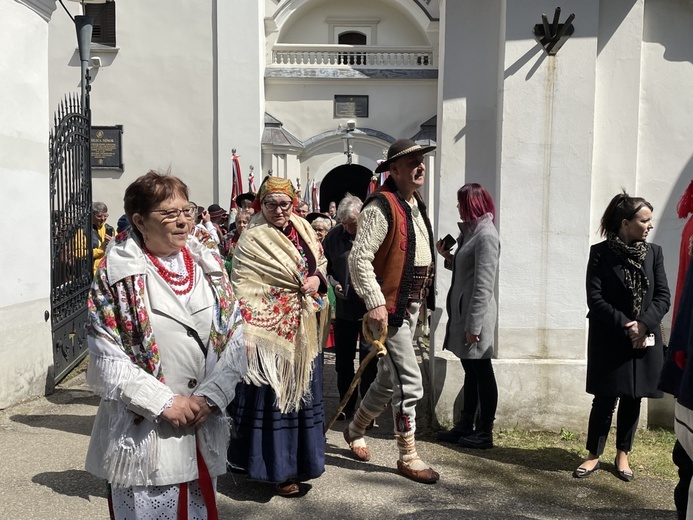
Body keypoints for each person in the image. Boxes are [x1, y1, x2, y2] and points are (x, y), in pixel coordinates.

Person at [84, 170, 247, 519]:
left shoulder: (210, 264)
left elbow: (233, 335)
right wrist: (163, 402)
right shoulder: (117, 275)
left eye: (186, 211)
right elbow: (104, 353)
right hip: (146, 429)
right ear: (140, 220)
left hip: (202, 421)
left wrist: (211, 397)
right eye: (169, 213)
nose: (182, 221)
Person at [227, 176, 329, 497]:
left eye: (284, 204)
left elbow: (320, 263)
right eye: (270, 204)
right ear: (261, 205)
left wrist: (316, 280)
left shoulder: (304, 228)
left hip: (303, 327)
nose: (278, 210)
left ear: (294, 204)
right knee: (274, 401)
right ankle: (276, 470)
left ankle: (301, 464)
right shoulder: (252, 238)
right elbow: (242, 285)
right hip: (268, 333)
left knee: (301, 399)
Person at [345, 138, 438, 484]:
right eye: (412, 161)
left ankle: (355, 429)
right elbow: (358, 259)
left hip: (411, 308)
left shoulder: (415, 204)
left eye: (422, 161)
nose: (420, 166)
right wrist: (375, 302)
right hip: (391, 312)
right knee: (410, 384)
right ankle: (408, 455)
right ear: (394, 170)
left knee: (387, 380)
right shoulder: (380, 207)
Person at [573, 191, 670, 481]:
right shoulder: (600, 252)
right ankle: (593, 455)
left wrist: (643, 324)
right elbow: (595, 298)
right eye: (645, 220)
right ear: (626, 223)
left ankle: (623, 455)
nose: (650, 225)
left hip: (643, 337)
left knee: (633, 397)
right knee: (604, 399)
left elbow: (663, 296)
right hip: (611, 335)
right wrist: (628, 325)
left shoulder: (654, 253)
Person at [435, 183, 499, 449]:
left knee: (482, 371)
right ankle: (465, 425)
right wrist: (447, 257)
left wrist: (474, 325)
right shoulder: (470, 233)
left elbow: (484, 284)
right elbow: (467, 271)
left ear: (471, 204)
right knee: (470, 371)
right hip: (465, 313)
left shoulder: (486, 236)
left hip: (476, 316)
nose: (458, 207)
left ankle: (484, 431)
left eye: (461, 202)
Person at [323, 193, 377, 420]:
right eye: (343, 223)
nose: (347, 227)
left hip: (368, 310)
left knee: (369, 361)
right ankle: (346, 405)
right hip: (344, 310)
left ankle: (367, 410)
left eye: (351, 223)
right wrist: (333, 284)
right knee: (343, 362)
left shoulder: (373, 234)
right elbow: (324, 268)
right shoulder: (334, 237)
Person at [223, 208, 251, 273]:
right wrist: (227, 264)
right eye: (239, 222)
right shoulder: (227, 238)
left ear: (249, 223)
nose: (241, 225)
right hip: (230, 272)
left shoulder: (254, 238)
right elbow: (220, 255)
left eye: (244, 222)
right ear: (235, 223)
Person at [91, 201, 114, 273]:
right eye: (99, 216)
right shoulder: (84, 231)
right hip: (91, 272)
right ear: (92, 215)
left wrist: (114, 243)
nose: (103, 219)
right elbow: (78, 253)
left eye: (105, 216)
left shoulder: (110, 229)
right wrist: (101, 249)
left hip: (108, 270)